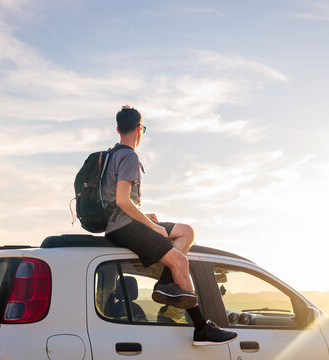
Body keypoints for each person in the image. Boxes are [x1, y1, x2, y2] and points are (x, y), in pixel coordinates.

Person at [102, 105, 238, 346]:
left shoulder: (112, 154)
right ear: (139, 129)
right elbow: (122, 201)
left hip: (124, 222)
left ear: (117, 129)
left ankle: (166, 282)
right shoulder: (129, 156)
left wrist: (145, 215)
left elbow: (119, 199)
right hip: (125, 227)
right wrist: (151, 227)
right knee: (181, 261)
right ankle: (201, 328)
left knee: (186, 231)